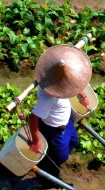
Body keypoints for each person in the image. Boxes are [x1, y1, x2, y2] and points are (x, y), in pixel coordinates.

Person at [27, 44, 92, 180]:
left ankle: (52, 159)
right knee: (60, 156)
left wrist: (82, 97)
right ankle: (49, 173)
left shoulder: (60, 76)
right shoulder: (48, 97)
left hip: (66, 122)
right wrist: (35, 141)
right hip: (54, 129)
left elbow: (74, 83)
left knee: (73, 142)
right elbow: (33, 117)